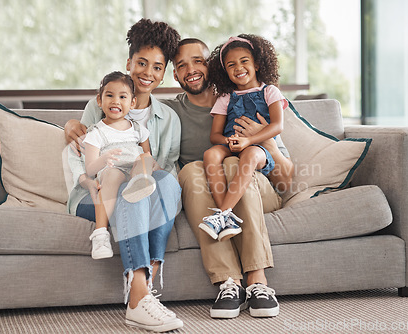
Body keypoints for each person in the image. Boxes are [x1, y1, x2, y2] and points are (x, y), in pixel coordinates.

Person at [65, 19, 183, 332]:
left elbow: (166, 168)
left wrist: (146, 170)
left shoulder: (168, 118)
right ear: (128, 62)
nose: (148, 73)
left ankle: (145, 280)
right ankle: (139, 298)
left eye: (157, 67)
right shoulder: (100, 104)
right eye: (141, 63)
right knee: (132, 189)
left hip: (143, 187)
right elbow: (83, 156)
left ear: (164, 72)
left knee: (163, 183)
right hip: (99, 193)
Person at [163, 38, 293, 319]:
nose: (191, 70)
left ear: (211, 65)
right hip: (208, 188)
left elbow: (286, 180)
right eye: (182, 65)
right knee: (191, 171)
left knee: (234, 163)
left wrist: (263, 140)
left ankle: (257, 281)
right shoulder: (170, 111)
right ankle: (229, 283)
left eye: (198, 61)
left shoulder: (258, 100)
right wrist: (78, 123)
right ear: (174, 75)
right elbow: (125, 104)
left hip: (257, 188)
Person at [198, 34, 288, 242]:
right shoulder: (225, 97)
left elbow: (277, 125)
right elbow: (215, 135)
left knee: (250, 155)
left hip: (258, 148)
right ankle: (224, 215)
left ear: (256, 64)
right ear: (225, 72)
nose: (238, 67)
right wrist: (229, 142)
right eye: (231, 65)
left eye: (244, 61)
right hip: (232, 143)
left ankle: (223, 212)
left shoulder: (270, 91)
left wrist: (249, 140)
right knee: (210, 154)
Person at [75, 71, 157, 260]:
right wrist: (104, 159)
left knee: (145, 158)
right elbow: (90, 169)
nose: (115, 101)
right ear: (99, 100)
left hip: (135, 172)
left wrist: (153, 166)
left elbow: (147, 154)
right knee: (112, 174)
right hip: (113, 171)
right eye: (109, 95)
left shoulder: (138, 129)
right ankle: (101, 234)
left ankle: (140, 186)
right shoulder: (96, 132)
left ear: (132, 102)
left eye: (122, 97)